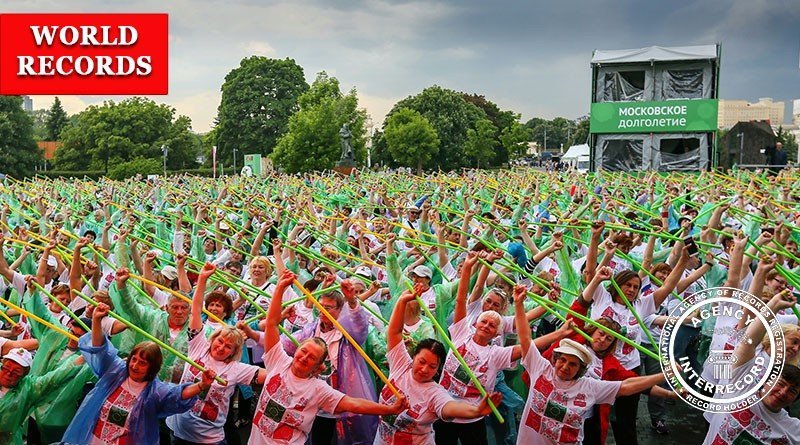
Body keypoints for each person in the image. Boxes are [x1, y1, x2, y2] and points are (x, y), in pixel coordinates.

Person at [249, 270, 407, 445]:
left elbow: (360, 328)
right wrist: (252, 334)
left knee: (349, 437)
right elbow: (282, 341)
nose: (323, 310)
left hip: (339, 393)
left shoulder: (348, 332)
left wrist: (353, 301)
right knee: (317, 436)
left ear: (340, 310)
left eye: (329, 307)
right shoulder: (311, 330)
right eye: (321, 305)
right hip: (312, 403)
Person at [513, 284, 667, 444]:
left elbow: (630, 384)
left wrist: (668, 387)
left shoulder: (590, 384)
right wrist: (518, 304)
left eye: (609, 339)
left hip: (582, 423)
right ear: (556, 358)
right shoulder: (546, 365)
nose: (565, 367)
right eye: (563, 360)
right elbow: (526, 338)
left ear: (581, 369)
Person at [61, 300, 215, 445]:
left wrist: (202, 385)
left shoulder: (154, 391)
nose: (134, 365)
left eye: (142, 363)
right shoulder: (116, 372)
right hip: (93, 439)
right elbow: (100, 349)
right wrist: (96, 320)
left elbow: (177, 394)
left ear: (152, 367)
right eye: (133, 359)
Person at [375, 284, 503, 444]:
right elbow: (394, 332)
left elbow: (449, 407)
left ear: (438, 371)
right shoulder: (400, 365)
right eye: (421, 362)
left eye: (432, 366)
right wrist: (402, 301)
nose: (424, 369)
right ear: (413, 357)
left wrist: (476, 411)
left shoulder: (435, 393)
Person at [167, 262, 267, 445]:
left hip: (209, 440)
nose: (221, 347)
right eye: (220, 341)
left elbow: (274, 374)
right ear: (212, 340)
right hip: (178, 433)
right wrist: (203, 278)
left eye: (228, 347)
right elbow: (196, 309)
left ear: (234, 352)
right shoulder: (198, 346)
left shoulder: (236, 369)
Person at [434, 252, 523, 445]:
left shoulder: (502, 326)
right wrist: (481, 264)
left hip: (487, 382)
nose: (490, 306)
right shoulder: (468, 320)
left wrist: (521, 303)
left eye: (496, 305)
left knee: (501, 408)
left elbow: (524, 334)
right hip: (448, 400)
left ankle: (507, 433)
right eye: (488, 301)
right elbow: (472, 290)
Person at [0, 347, 84, 445]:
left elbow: (54, 379)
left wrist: (85, 356)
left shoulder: (28, 389)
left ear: (24, 375)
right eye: (6, 368)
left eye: (16, 372)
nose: (8, 373)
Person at [702, 365, 800, 444]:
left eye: (792, 391)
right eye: (780, 384)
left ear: (794, 401)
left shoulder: (794, 430)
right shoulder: (740, 391)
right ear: (766, 380)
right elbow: (748, 345)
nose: (783, 392)